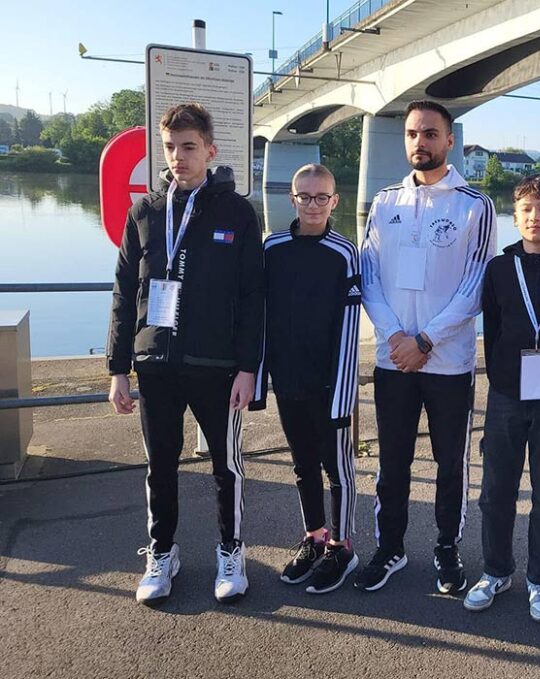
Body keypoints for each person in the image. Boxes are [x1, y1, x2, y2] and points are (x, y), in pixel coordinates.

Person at [107, 102, 264, 605]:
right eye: (171, 147)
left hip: (218, 367)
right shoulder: (146, 211)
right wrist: (118, 369)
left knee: (226, 466)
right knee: (161, 466)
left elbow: (252, 295)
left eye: (189, 147)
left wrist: (248, 368)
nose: (178, 156)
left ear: (210, 150)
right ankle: (162, 552)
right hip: (156, 364)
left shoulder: (237, 211)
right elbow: (123, 290)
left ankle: (231, 550)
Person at [355, 100, 495, 594]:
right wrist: (396, 337)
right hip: (393, 358)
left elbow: (476, 285)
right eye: (413, 134)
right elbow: (368, 275)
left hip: (448, 362)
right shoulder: (385, 201)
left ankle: (446, 548)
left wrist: (426, 340)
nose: (421, 142)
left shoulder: (474, 205)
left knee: (449, 462)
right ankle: (390, 547)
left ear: (449, 141)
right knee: (391, 461)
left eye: (431, 134)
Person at [463, 175, 540, 622]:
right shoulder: (497, 268)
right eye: (527, 209)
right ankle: (496, 571)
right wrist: (500, 377)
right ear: (515, 217)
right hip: (508, 395)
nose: (535, 216)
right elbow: (491, 327)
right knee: (496, 492)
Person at [250, 163, 361, 595]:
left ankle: (342, 545)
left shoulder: (344, 252)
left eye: (322, 197)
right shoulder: (272, 247)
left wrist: (344, 390)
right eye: (304, 196)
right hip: (289, 378)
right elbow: (259, 316)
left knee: (338, 468)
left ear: (335, 201)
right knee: (302, 464)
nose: (313, 204)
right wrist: (260, 380)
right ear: (292, 200)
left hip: (330, 383)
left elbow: (351, 326)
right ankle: (314, 536)